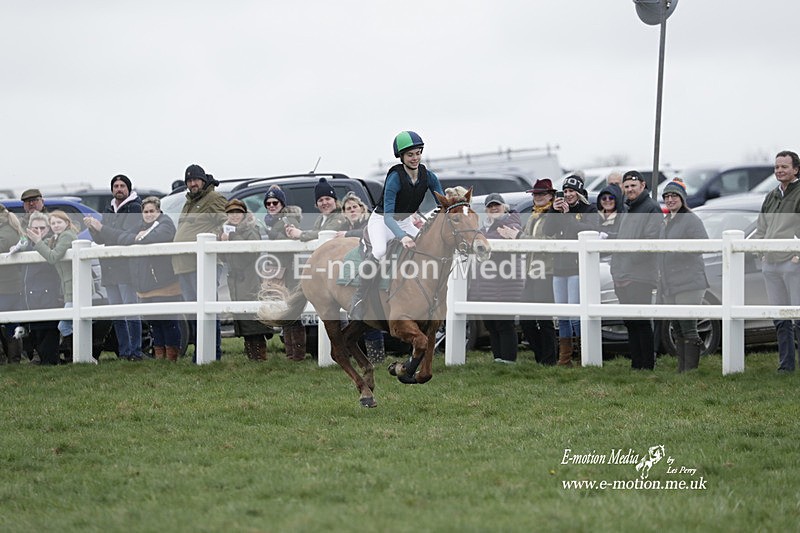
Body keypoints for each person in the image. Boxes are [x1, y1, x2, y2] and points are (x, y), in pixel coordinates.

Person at [349, 131, 444, 320]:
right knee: (379, 251)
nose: (415, 158)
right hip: (382, 220)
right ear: (401, 157)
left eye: (418, 153)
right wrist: (402, 237)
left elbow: (442, 203)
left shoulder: (429, 176)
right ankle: (359, 298)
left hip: (405, 221)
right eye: (410, 155)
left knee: (426, 248)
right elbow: (388, 218)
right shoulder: (395, 178)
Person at [99, 196, 182, 361]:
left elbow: (156, 236)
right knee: (154, 321)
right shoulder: (140, 225)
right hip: (147, 283)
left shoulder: (166, 223)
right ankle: (160, 356)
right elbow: (122, 238)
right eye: (146, 212)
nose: (149, 215)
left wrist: (142, 237)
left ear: (159, 211)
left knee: (167, 320)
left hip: (164, 281)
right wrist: (137, 237)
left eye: (152, 211)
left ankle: (172, 356)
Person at [84, 175, 144, 360]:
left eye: (122, 185)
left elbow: (124, 236)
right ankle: (124, 352)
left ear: (128, 188)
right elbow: (102, 238)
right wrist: (93, 229)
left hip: (126, 267)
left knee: (130, 310)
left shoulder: (135, 208)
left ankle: (135, 350)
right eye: (116, 186)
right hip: (109, 267)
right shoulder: (109, 208)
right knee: (116, 313)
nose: (119, 189)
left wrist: (101, 227)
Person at [499, 178, 558, 365]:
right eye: (535, 194)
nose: (538, 197)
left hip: (546, 271)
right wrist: (512, 238)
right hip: (531, 272)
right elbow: (526, 241)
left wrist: (517, 236)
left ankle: (549, 359)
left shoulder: (552, 215)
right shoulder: (534, 215)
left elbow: (546, 242)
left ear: (550, 196)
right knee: (526, 319)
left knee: (544, 319)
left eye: (542, 194)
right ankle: (541, 357)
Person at [172, 164, 228, 361]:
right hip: (184, 265)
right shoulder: (188, 202)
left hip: (204, 263)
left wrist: (211, 237)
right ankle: (200, 351)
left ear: (203, 181)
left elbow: (226, 222)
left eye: (195, 179)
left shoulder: (213, 198)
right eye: (189, 181)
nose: (192, 183)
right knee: (195, 312)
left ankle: (213, 352)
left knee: (208, 309)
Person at [752, 150, 800, 372]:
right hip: (770, 264)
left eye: (784, 167)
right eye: (777, 167)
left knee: (798, 318)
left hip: (793, 264)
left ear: (796, 170)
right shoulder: (771, 196)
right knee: (780, 319)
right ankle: (786, 367)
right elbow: (760, 228)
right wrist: (760, 252)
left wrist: (798, 256)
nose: (779, 170)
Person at [543, 175, 598, 366]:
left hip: (577, 267)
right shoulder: (559, 210)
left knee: (576, 315)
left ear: (579, 192)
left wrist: (567, 217)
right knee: (562, 315)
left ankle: (583, 355)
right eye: (565, 191)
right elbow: (548, 231)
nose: (568, 195)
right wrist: (553, 210)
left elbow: (588, 230)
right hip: (559, 267)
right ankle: (564, 358)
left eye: (571, 191)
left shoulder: (589, 210)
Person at [610, 170, 663, 370]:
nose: (630, 189)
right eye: (627, 186)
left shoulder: (651, 208)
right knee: (630, 322)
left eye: (633, 185)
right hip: (622, 273)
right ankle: (636, 364)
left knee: (641, 321)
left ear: (642, 185)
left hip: (640, 275)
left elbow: (651, 242)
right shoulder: (626, 208)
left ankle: (647, 364)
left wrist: (627, 259)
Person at [657, 178, 709, 372]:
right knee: (677, 327)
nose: (670, 200)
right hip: (670, 282)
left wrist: (677, 251)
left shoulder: (691, 219)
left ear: (682, 198)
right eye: (667, 196)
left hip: (689, 281)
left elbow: (702, 244)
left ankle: (691, 370)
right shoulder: (666, 220)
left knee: (688, 326)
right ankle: (682, 368)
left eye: (674, 196)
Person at [469, 193, 524, 363]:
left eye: (497, 205)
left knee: (504, 324)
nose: (493, 208)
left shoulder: (511, 223)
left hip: (505, 282)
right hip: (487, 284)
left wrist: (480, 239)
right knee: (491, 325)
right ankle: (498, 359)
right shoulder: (485, 227)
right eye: (490, 206)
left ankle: (508, 360)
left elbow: (492, 241)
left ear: (504, 207)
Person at [220, 199, 274, 361]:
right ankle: (251, 354)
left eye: (237, 212)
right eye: (231, 213)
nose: (234, 216)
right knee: (242, 318)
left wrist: (232, 237)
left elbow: (252, 251)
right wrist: (222, 242)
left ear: (243, 214)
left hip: (250, 278)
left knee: (253, 316)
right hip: (235, 281)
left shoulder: (251, 229)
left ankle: (259, 355)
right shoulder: (225, 231)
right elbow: (223, 257)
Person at [334, 191, 384, 363]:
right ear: (344, 213)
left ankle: (377, 358)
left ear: (362, 208)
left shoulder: (369, 222)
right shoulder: (346, 226)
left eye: (354, 207)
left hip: (373, 270)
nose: (352, 210)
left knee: (371, 314)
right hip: (356, 273)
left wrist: (347, 235)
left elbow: (367, 233)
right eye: (348, 208)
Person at [262, 185, 306, 362]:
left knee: (293, 311)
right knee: (284, 310)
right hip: (278, 269)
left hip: (290, 271)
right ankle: (290, 354)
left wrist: (272, 233)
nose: (272, 206)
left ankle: (297, 355)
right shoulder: (272, 221)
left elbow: (292, 240)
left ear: (282, 204)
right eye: (268, 203)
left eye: (275, 203)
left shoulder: (288, 219)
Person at [28, 210, 79, 363]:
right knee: (70, 324)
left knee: (64, 326)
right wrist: (24, 243)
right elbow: (43, 246)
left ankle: (77, 356)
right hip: (69, 287)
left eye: (59, 222)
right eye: (53, 223)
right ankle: (75, 357)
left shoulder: (67, 236)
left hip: (75, 287)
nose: (56, 225)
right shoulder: (57, 237)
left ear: (67, 223)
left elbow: (52, 257)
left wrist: (37, 241)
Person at [19, 212, 62, 365]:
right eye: (35, 228)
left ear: (48, 229)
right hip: (29, 298)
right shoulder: (24, 245)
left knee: (48, 333)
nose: (38, 231)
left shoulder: (52, 242)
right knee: (35, 334)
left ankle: (51, 362)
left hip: (48, 295)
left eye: (42, 228)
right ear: (29, 229)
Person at [285, 177, 347, 242]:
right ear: (317, 204)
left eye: (327, 199)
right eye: (320, 200)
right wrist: (294, 233)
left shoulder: (341, 216)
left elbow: (325, 234)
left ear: (335, 201)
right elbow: (314, 235)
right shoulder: (320, 218)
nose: (324, 203)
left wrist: (300, 234)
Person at [0, 205, 23, 364]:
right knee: (11, 323)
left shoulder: (6, 232)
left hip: (6, 285)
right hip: (9, 284)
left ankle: (11, 358)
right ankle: (13, 359)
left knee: (10, 323)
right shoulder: (7, 228)